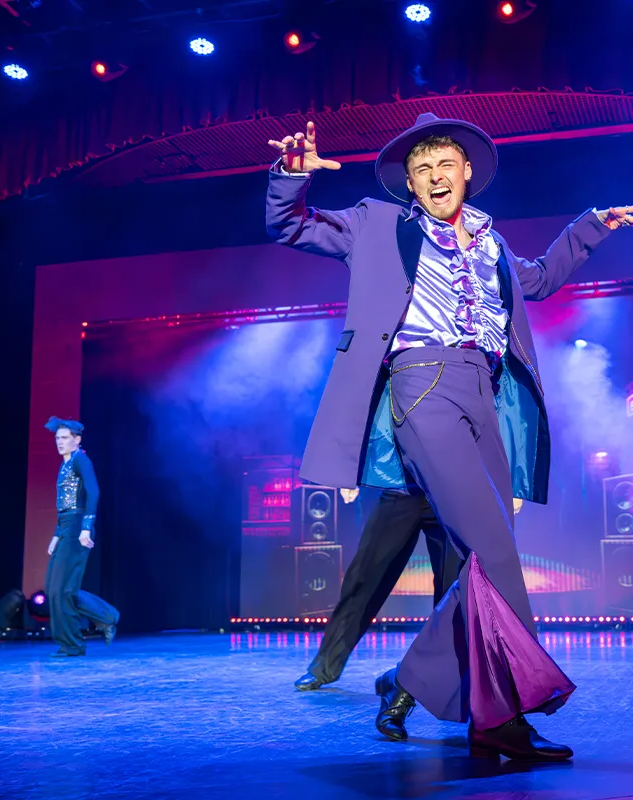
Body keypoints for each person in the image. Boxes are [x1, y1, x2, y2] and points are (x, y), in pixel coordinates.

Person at [266, 113, 631, 760]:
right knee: (496, 557)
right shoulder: (379, 224)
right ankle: (502, 719)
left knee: (484, 564)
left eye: (445, 165)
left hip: (483, 393)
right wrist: (290, 177)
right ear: (410, 184)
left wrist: (590, 227)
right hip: (422, 384)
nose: (435, 176)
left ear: (466, 173)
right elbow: (290, 225)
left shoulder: (492, 243)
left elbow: (540, 280)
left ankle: (412, 683)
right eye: (422, 169)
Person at [295, 487, 461, 691]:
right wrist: (350, 479)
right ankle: (324, 666)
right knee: (365, 575)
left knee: (451, 588)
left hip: (448, 491)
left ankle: (447, 675)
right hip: (403, 487)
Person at [44, 417, 119, 657]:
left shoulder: (80, 460)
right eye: (57, 438)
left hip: (78, 526)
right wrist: (56, 535)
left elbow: (93, 492)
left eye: (65, 438)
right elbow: (64, 505)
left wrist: (86, 527)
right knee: (54, 589)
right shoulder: (65, 464)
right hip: (66, 526)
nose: (60, 442)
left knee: (63, 589)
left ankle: (73, 644)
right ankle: (106, 617)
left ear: (77, 440)